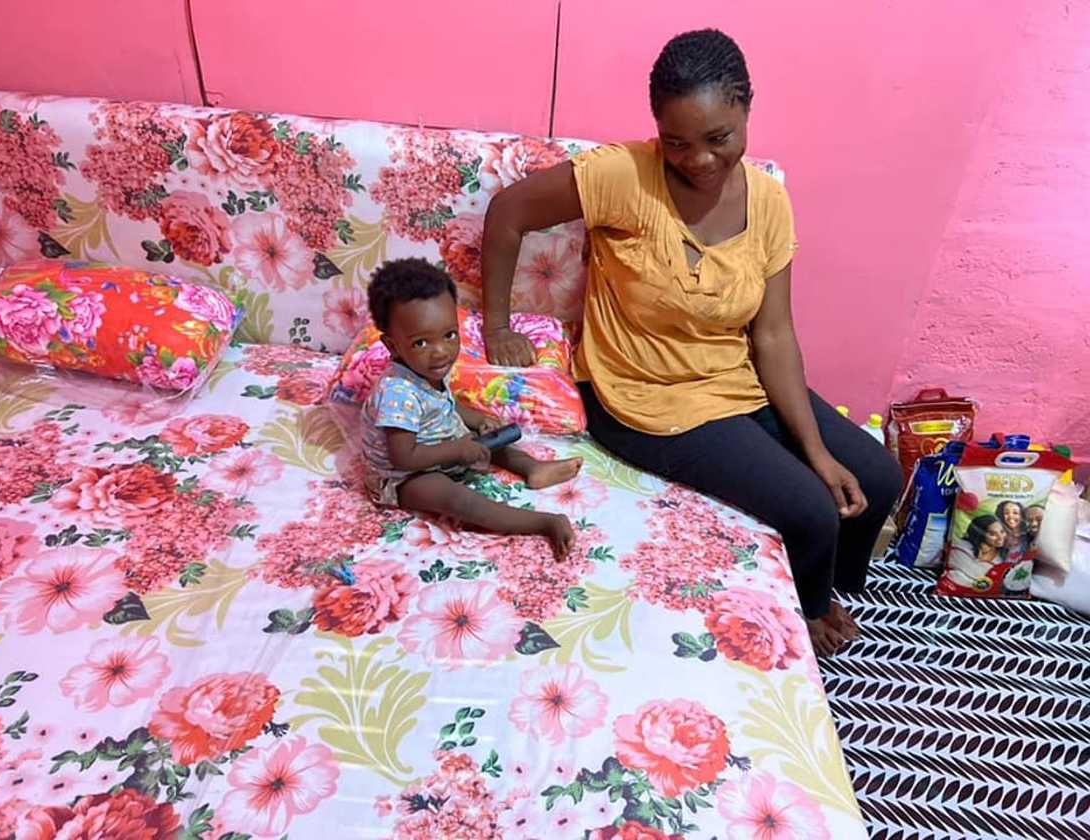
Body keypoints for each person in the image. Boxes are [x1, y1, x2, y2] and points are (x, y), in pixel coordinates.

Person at [479, 28, 902, 656]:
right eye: (676, 142)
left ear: (746, 109)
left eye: (718, 139)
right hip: (643, 399)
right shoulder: (623, 175)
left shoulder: (768, 201)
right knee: (810, 508)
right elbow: (508, 213)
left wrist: (815, 448)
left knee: (879, 476)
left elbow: (773, 333)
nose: (698, 159)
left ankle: (820, 581)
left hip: (732, 379)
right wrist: (498, 326)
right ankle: (811, 610)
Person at [361, 258, 581, 557]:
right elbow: (404, 457)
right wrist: (457, 450)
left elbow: (443, 405)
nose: (441, 351)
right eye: (421, 343)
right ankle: (544, 522)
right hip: (403, 476)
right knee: (455, 498)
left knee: (491, 440)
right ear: (392, 346)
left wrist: (478, 420)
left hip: (438, 444)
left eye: (449, 335)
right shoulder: (397, 392)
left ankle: (532, 468)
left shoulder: (427, 369)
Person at [944, 514, 1010, 593]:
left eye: (1002, 532)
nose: (1000, 537)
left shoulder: (1002, 560)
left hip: (979, 595)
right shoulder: (960, 548)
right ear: (979, 534)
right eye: (992, 534)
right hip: (949, 590)